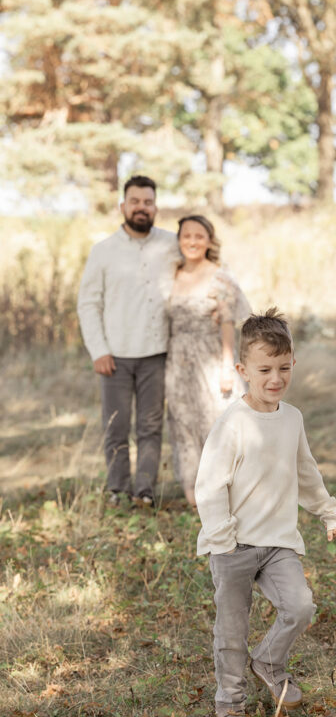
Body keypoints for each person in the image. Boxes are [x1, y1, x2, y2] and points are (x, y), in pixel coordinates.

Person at [194, 308, 336, 717]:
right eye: (264, 369)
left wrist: (331, 514)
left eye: (284, 368)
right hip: (233, 545)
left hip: (278, 542)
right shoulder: (233, 423)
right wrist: (223, 539)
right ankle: (230, 702)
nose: (275, 378)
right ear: (243, 369)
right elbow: (209, 486)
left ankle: (269, 659)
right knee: (231, 630)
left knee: (300, 606)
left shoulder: (293, 418)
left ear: (293, 364)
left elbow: (307, 474)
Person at [77, 175, 179, 507]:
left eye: (147, 202)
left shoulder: (171, 243)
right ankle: (118, 490)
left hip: (157, 353)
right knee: (116, 428)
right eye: (134, 201)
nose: (141, 208)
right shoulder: (103, 251)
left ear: (155, 207)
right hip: (115, 356)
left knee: (150, 428)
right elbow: (89, 304)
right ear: (123, 206)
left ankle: (145, 491)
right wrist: (99, 350)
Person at [165, 214, 250, 506]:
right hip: (177, 361)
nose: (192, 241)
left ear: (209, 240)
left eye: (199, 236)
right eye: (186, 235)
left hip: (211, 356)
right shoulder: (172, 274)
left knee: (218, 421)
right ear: (178, 240)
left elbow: (228, 323)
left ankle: (228, 488)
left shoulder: (219, 275)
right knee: (184, 422)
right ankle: (193, 492)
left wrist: (228, 366)